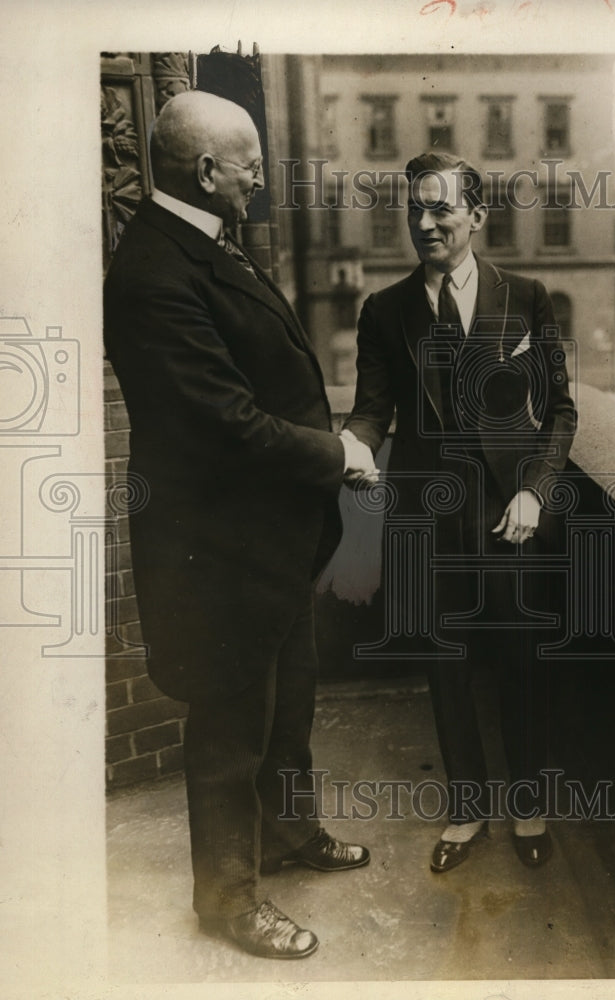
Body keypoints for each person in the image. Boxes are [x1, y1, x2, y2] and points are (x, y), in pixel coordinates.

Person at [103, 90, 376, 960]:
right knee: (229, 729)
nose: (261, 176)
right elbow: (222, 421)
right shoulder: (153, 271)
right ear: (208, 169)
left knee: (286, 702)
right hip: (216, 555)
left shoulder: (205, 239)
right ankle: (228, 900)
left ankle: (289, 836)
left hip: (270, 537)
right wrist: (338, 456)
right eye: (249, 162)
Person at [343, 152, 577, 873]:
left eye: (440, 209)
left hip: (511, 515)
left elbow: (560, 412)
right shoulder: (384, 311)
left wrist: (535, 489)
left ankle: (528, 806)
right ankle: (467, 809)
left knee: (520, 664)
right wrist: (352, 446)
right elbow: (372, 409)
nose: (424, 223)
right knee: (443, 667)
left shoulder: (528, 296)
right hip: (425, 516)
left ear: (477, 216)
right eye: (415, 209)